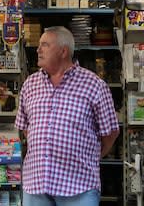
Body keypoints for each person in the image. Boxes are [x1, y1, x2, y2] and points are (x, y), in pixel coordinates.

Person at [15, 26, 120, 206]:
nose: (38, 50)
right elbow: (25, 128)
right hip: (36, 185)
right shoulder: (30, 84)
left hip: (78, 187)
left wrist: (89, 156)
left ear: (63, 51)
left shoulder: (94, 85)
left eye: (45, 45)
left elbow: (110, 133)